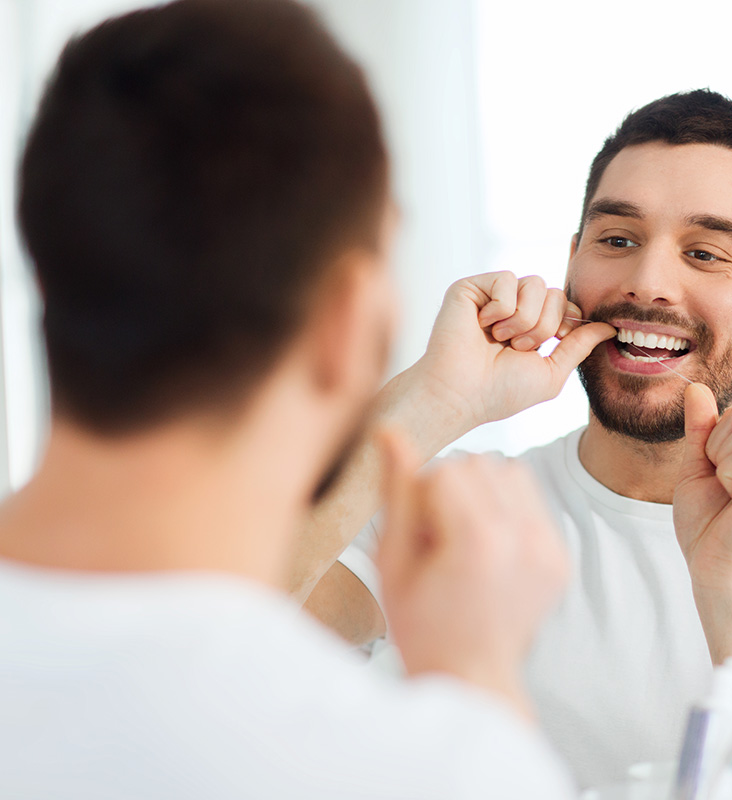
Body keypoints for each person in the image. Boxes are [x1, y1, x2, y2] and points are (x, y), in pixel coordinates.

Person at [0, 1, 602, 796]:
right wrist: (479, 689)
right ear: (351, 319)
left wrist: (439, 398)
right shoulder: (406, 764)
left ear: (47, 269)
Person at [299, 90, 732, 798]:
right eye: (617, 240)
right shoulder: (452, 511)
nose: (648, 283)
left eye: (705, 254)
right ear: (572, 263)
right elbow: (212, 610)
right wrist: (437, 400)